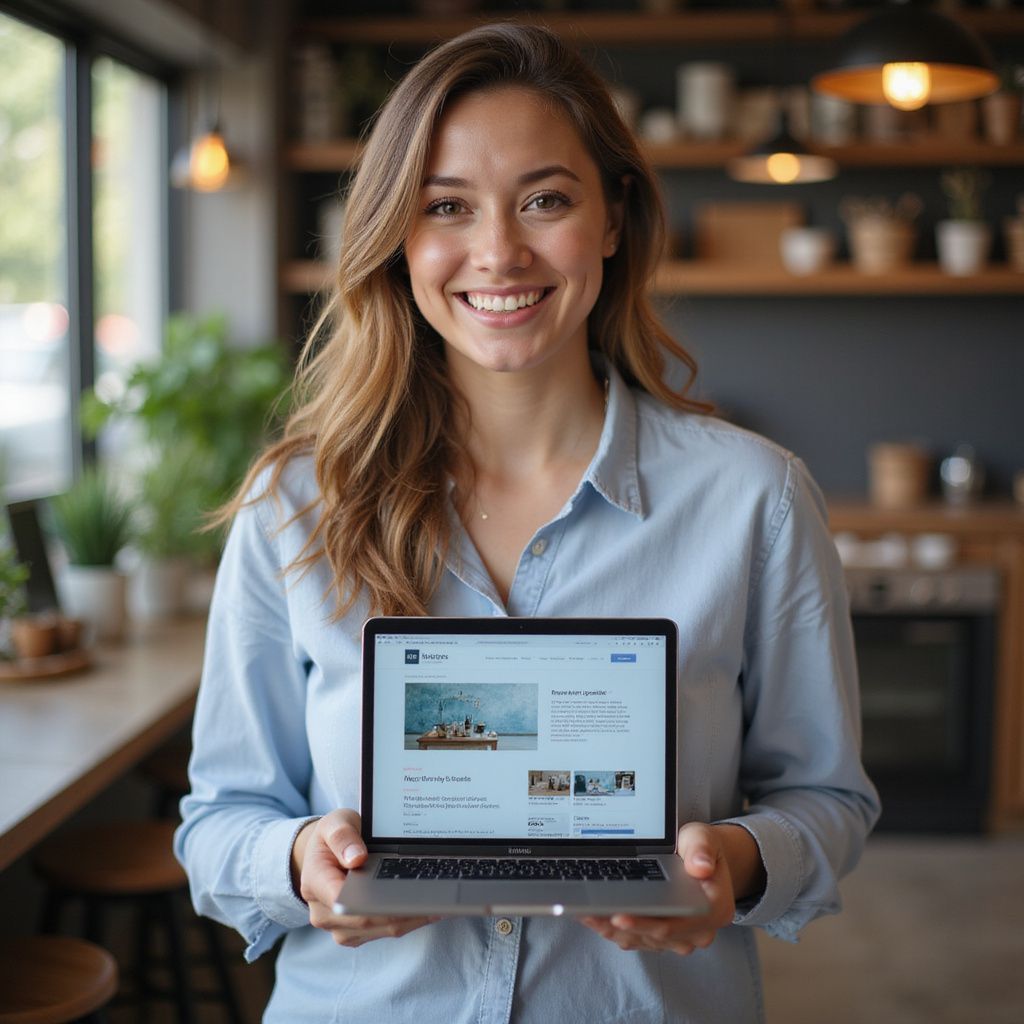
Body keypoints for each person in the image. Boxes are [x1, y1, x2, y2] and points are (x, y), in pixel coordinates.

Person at [175, 23, 879, 1024]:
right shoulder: (294, 506)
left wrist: (740, 861)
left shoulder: (754, 500)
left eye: (545, 200)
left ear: (612, 219)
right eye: (445, 206)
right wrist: (294, 861)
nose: (498, 251)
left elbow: (829, 799)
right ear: (396, 236)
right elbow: (218, 821)